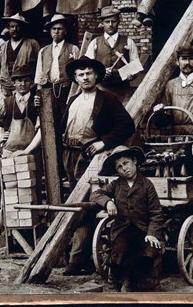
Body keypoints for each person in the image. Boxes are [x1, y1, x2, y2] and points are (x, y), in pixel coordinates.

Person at [61, 56, 135, 275]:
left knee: (85, 204)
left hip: (90, 159)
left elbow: (127, 125)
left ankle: (77, 260)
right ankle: (73, 255)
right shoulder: (72, 100)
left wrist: (104, 142)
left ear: (96, 76)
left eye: (89, 73)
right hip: (69, 155)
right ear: (76, 78)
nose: (85, 78)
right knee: (73, 202)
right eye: (80, 74)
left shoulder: (107, 99)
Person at [91, 145, 164, 292]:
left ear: (134, 161)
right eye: (119, 167)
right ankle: (118, 278)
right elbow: (95, 194)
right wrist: (108, 202)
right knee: (120, 249)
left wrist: (151, 233)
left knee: (147, 252)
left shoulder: (146, 185)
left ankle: (129, 281)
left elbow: (156, 213)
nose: (124, 168)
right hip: (122, 229)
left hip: (143, 229)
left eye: (126, 163)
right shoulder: (116, 184)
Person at [34, 14, 79, 171]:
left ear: (65, 31)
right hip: (49, 93)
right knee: (51, 130)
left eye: (60, 29)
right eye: (54, 29)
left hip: (68, 92)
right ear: (50, 31)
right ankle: (55, 168)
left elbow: (78, 75)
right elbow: (39, 76)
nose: (57, 32)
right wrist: (39, 95)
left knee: (67, 129)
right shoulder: (44, 51)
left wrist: (75, 96)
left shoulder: (73, 49)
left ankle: (68, 167)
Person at [0, 65, 41, 159]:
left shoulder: (38, 102)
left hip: (31, 153)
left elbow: (42, 130)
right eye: (19, 81)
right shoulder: (6, 103)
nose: (23, 84)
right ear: (14, 83)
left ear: (32, 83)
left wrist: (27, 151)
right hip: (9, 154)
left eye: (26, 80)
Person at [85, 5, 141, 104]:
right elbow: (88, 67)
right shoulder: (95, 42)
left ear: (118, 22)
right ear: (102, 23)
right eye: (107, 22)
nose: (110, 24)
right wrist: (101, 72)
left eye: (113, 21)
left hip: (123, 93)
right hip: (101, 90)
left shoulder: (128, 42)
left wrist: (124, 74)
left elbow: (136, 67)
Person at [0, 14, 40, 97]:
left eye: (18, 26)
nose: (15, 29)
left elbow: (40, 66)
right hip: (6, 89)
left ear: (23, 28)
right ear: (8, 28)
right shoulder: (3, 46)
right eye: (12, 26)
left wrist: (35, 84)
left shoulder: (32, 44)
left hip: (25, 88)